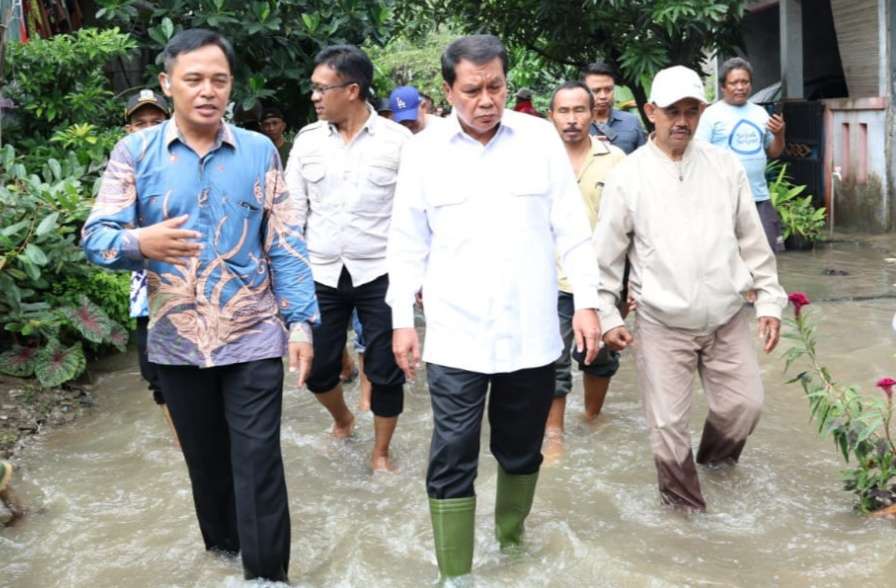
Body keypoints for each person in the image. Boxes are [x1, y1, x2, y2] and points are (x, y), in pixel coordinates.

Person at [82, 29, 318, 582]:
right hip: (175, 336)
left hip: (253, 331)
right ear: (168, 84)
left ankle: (266, 577)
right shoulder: (135, 153)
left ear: (231, 86)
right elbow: (96, 237)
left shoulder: (259, 151)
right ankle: (222, 556)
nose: (207, 90)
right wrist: (141, 242)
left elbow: (283, 242)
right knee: (206, 463)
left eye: (219, 79)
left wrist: (301, 323)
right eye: (193, 79)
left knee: (258, 460)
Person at [387, 35, 602, 579]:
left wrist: (588, 304)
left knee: (520, 449)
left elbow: (572, 231)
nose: (486, 100)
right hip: (456, 337)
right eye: (472, 90)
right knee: (452, 452)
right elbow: (406, 243)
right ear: (448, 90)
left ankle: (512, 545)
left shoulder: (538, 139)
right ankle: (453, 574)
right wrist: (400, 323)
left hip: (531, 335)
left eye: (496, 87)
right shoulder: (423, 151)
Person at [594, 65, 787, 512]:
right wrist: (607, 315)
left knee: (744, 407)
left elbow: (752, 242)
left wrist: (770, 301)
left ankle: (716, 469)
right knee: (667, 424)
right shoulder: (630, 175)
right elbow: (607, 256)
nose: (681, 120)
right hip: (662, 321)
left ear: (701, 112)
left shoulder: (725, 167)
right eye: (671, 111)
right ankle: (686, 520)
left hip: (725, 315)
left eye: (691, 110)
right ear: (650, 113)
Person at [285, 45, 411, 472]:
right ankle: (343, 419)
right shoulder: (306, 143)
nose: (315, 97)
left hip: (380, 273)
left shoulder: (399, 143)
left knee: (386, 368)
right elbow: (292, 217)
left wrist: (417, 280)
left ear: (352, 90)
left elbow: (414, 217)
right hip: (320, 273)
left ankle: (381, 452)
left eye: (323, 89)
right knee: (318, 370)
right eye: (314, 89)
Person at [544, 81, 626, 457]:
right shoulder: (538, 160)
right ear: (551, 116)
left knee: (600, 357)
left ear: (593, 114)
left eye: (580, 111)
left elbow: (635, 225)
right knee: (553, 360)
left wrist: (634, 284)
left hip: (603, 279)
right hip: (552, 279)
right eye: (564, 111)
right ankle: (555, 435)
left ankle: (592, 417)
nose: (572, 119)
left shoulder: (617, 161)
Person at [123, 89, 179, 444]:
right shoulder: (121, 172)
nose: (147, 129)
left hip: (187, 287)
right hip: (146, 294)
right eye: (139, 123)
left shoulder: (183, 163)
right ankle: (181, 443)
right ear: (128, 129)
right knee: (155, 376)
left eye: (155, 123)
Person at [696, 56, 787, 252]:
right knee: (727, 256)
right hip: (724, 200)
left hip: (759, 197)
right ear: (723, 87)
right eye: (734, 82)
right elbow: (698, 157)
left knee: (766, 254)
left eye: (744, 82)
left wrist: (779, 134)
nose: (740, 87)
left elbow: (774, 151)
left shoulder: (760, 113)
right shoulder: (711, 116)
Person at [581, 61, 646, 154]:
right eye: (596, 91)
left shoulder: (631, 121)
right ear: (583, 91)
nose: (603, 96)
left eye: (608, 89)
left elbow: (644, 160)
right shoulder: (574, 124)